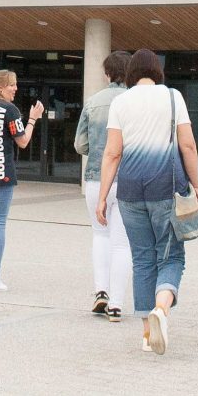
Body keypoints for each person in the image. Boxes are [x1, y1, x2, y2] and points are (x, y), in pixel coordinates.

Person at [96, 48, 198, 356]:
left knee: (142, 259)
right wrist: (195, 185)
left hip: (129, 192)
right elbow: (189, 145)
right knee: (171, 257)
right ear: (158, 71)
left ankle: (145, 333)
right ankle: (161, 310)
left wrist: (103, 196)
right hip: (166, 189)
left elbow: (112, 152)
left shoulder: (120, 101)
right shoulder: (172, 97)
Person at [0, 70, 45, 292]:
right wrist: (33, 119)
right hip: (2, 171)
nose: (15, 89)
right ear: (1, 87)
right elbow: (22, 141)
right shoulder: (10, 110)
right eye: (12, 85)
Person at [74, 50, 132, 321]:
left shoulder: (93, 101)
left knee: (100, 235)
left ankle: (101, 291)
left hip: (97, 178)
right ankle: (117, 304)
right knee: (122, 243)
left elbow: (79, 145)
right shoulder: (134, 101)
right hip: (127, 179)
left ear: (107, 73)